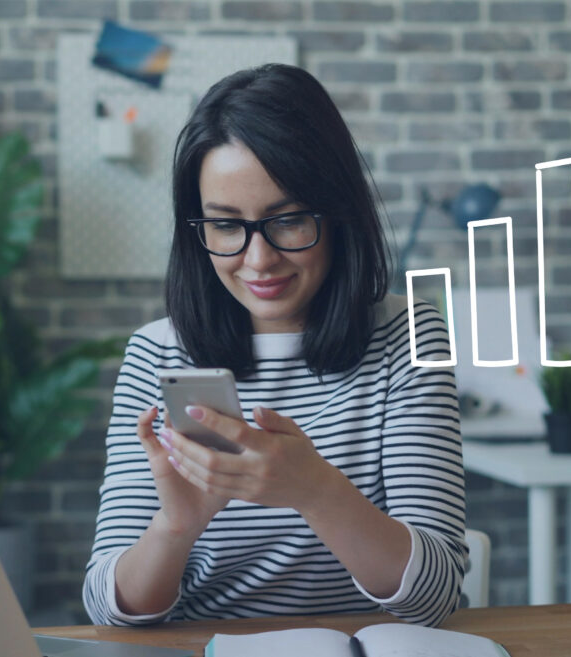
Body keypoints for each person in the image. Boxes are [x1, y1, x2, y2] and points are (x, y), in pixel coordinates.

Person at [82, 63, 465, 627]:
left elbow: (435, 598)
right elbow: (107, 610)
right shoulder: (157, 353)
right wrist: (176, 526)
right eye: (226, 226)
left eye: (287, 221)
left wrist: (316, 491)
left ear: (338, 215)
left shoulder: (407, 340)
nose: (258, 260)